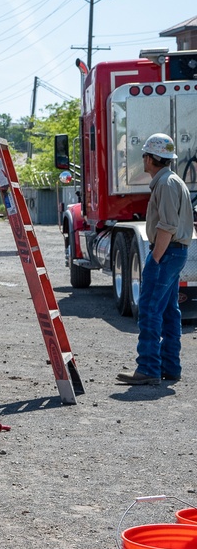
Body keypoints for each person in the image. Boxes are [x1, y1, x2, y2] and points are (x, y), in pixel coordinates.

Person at [117, 132, 195, 386]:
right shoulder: (172, 181)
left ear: (150, 158)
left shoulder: (165, 184)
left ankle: (149, 368)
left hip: (167, 251)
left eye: (144, 156)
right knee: (170, 312)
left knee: (150, 310)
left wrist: (155, 258)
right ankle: (170, 367)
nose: (143, 160)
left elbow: (167, 226)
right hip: (174, 252)